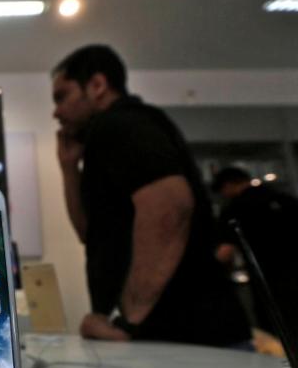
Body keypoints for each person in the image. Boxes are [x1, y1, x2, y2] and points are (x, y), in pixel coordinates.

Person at [52, 44, 251, 347]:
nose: (56, 112)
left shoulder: (119, 123)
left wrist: (127, 319)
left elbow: (170, 205)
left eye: (62, 96)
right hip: (178, 339)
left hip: (180, 339)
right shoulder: (115, 131)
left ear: (97, 86)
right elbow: (88, 234)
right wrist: (69, 169)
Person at [213, 167, 298, 361]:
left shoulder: (235, 209)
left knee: (283, 348)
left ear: (228, 186)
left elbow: (225, 253)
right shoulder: (290, 201)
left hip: (271, 288)